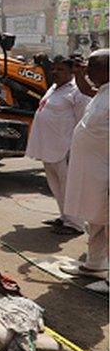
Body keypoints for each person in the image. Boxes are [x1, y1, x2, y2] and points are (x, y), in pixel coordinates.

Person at [24, 56, 91, 234]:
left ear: (71, 72)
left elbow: (82, 121)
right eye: (54, 68)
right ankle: (64, 217)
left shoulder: (77, 92)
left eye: (60, 70)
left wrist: (75, 148)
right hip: (49, 147)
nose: (55, 72)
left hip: (65, 148)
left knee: (70, 187)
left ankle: (76, 224)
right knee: (56, 185)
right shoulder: (54, 88)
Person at [61, 49, 110, 279]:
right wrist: (80, 74)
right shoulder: (103, 91)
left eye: (92, 67)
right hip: (94, 176)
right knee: (97, 221)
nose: (87, 71)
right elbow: (86, 89)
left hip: (105, 176)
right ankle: (95, 265)